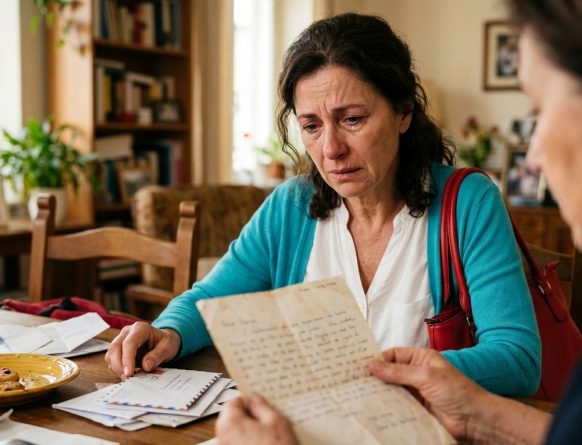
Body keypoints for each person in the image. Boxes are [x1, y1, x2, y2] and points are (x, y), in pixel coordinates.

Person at [217, 1, 582, 443]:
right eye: (311, 126)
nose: (532, 156)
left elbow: (522, 362)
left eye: (541, 110)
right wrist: (482, 416)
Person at [106, 13, 541, 397]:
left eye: (352, 119)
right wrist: (167, 330)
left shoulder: (468, 203)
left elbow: (517, 359)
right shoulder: (290, 206)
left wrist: (386, 374)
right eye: (311, 126)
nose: (331, 149)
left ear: (404, 112)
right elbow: (209, 300)